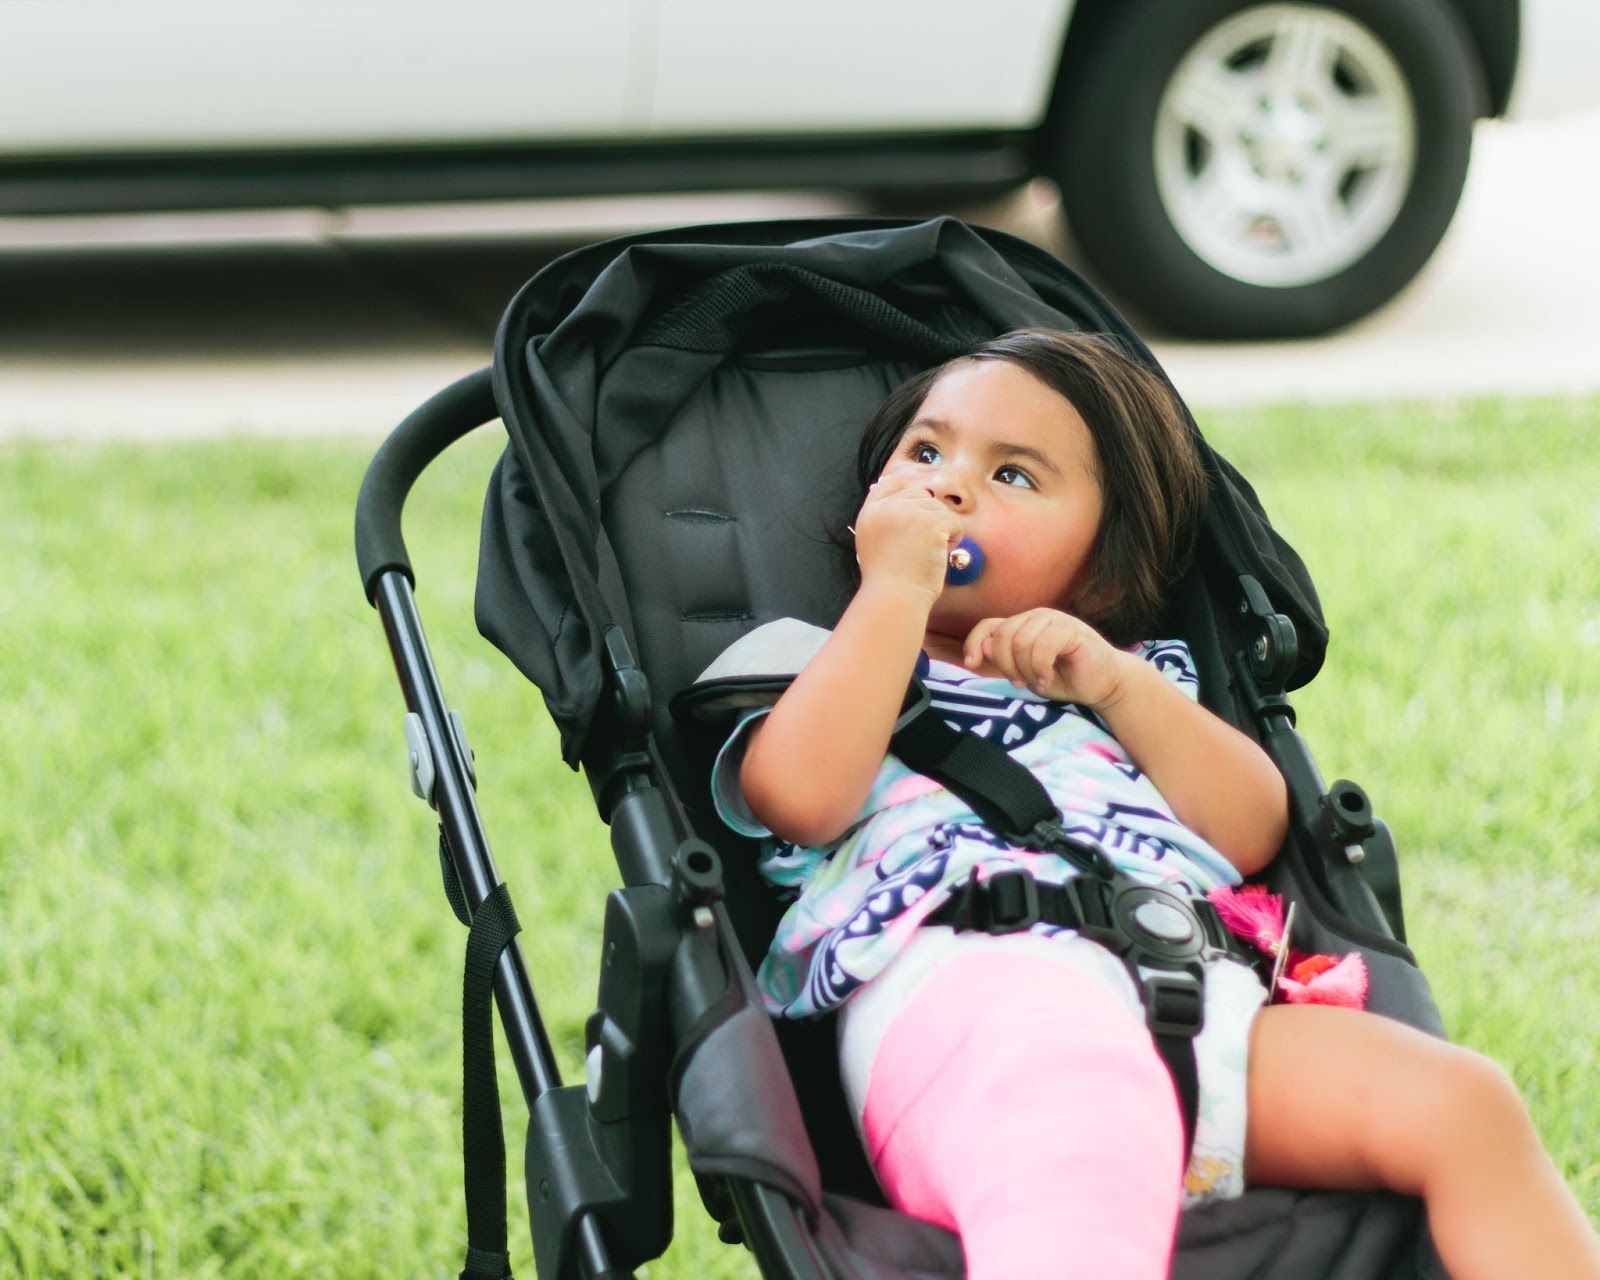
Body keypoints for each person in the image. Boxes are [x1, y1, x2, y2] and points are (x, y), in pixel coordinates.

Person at [702, 329, 1600, 1279]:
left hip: (1189, 994)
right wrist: (892, 592)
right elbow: (799, 799)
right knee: (1083, 1125)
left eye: (1012, 475)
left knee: (1463, 1105)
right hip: (968, 1004)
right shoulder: (819, 668)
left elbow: (1251, 830)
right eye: (925, 452)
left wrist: (1121, 688)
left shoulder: (1132, 683)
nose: (951, 485)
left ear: (1106, 572)